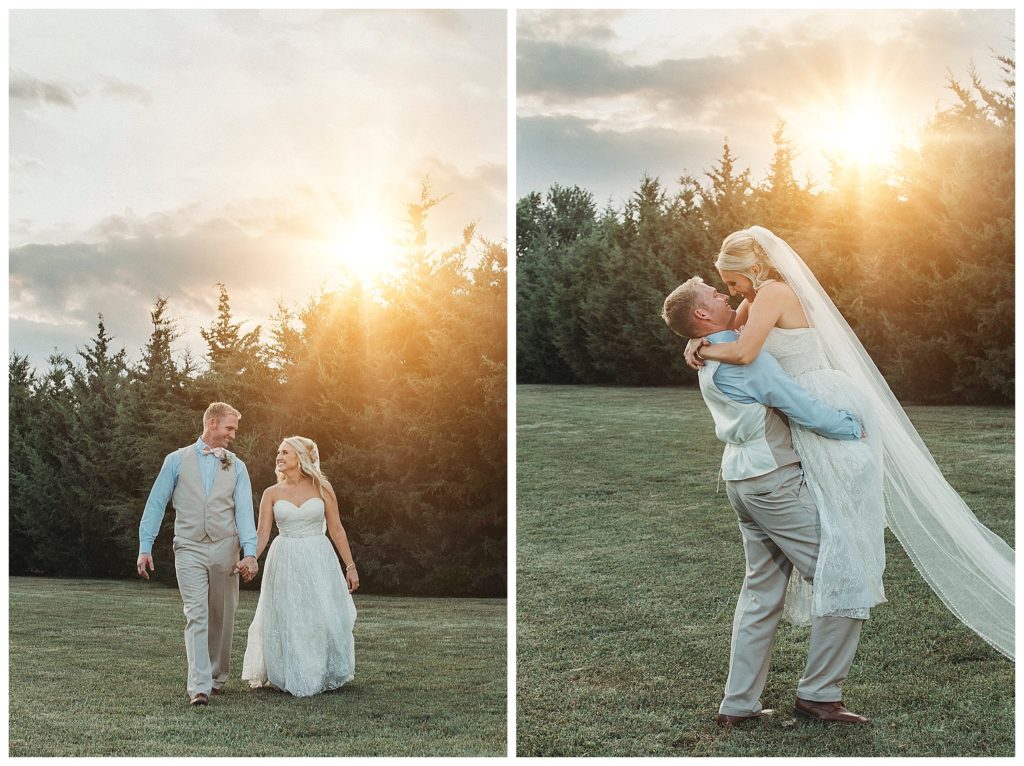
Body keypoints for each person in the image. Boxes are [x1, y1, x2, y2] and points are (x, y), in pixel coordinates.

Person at [679, 226, 1014, 661]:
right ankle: (821, 676)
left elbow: (742, 352)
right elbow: (728, 333)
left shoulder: (775, 293)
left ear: (756, 268)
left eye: (732, 281)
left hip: (817, 399)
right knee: (826, 521)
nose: (732, 292)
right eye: (725, 287)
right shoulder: (756, 299)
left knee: (840, 517)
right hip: (798, 407)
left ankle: (842, 599)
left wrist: (700, 349)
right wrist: (696, 336)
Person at [662, 278, 872, 725]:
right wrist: (852, 427)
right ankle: (819, 695)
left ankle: (738, 706)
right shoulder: (741, 358)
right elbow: (798, 403)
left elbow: (747, 316)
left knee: (761, 593)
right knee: (845, 576)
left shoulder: (713, 351)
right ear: (701, 315)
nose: (725, 295)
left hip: (742, 480)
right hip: (774, 483)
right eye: (714, 295)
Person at [137, 401, 259, 707]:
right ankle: (200, 687)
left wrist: (250, 552)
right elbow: (156, 503)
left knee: (222, 614)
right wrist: (145, 546)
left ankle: (217, 676)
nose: (233, 434)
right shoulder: (176, 460)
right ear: (213, 423)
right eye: (230, 427)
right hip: (188, 546)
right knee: (196, 614)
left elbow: (244, 512)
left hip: (225, 547)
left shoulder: (237, 466)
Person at [241, 436, 358, 697]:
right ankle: (288, 672)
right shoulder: (271, 493)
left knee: (319, 615)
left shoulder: (322, 488)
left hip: (318, 557)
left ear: (300, 457)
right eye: (278, 452)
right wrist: (251, 558)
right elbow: (262, 534)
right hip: (284, 557)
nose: (278, 457)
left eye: (284, 452)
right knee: (288, 615)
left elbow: (337, 529)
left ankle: (320, 670)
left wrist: (350, 566)